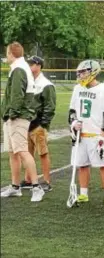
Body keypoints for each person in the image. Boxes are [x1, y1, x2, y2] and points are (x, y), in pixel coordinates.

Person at [1, 42, 45, 202]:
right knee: (13, 152)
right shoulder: (19, 67)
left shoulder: (19, 69)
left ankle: (36, 187)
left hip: (18, 117)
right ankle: (15, 186)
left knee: (22, 151)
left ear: (11, 53)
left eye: (7, 52)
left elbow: (17, 96)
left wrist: (11, 114)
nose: (6, 55)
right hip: (13, 116)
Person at [69, 60, 104, 205]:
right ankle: (83, 193)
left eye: (83, 72)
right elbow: (72, 111)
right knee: (82, 165)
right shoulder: (77, 88)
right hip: (80, 134)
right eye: (79, 72)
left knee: (103, 165)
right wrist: (74, 123)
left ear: (93, 72)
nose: (80, 75)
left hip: (96, 134)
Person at [20, 55, 56, 192]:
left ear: (39, 65)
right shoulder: (28, 82)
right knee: (28, 153)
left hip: (38, 124)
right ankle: (29, 179)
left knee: (43, 153)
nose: (29, 66)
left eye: (32, 64)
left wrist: (43, 124)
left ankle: (46, 181)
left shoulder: (46, 84)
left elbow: (50, 106)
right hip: (27, 123)